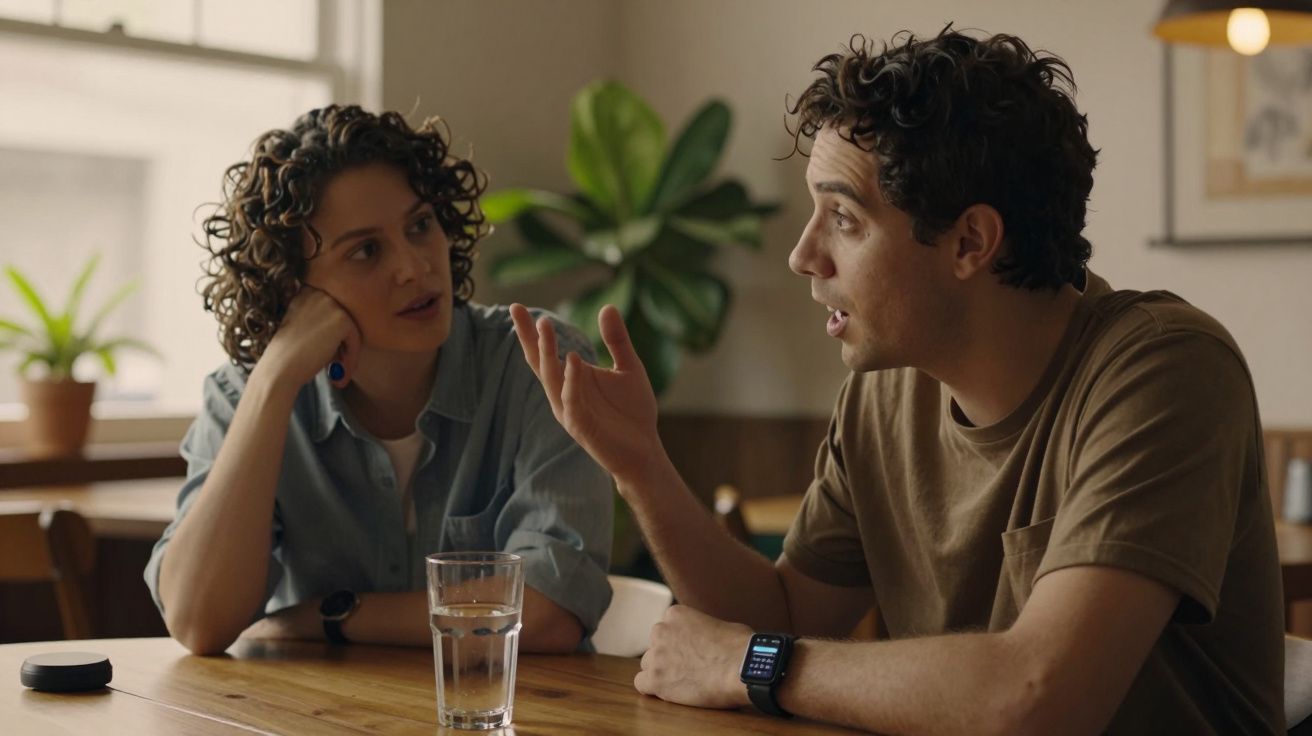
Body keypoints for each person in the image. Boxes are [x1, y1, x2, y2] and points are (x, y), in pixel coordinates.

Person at [509, 27, 1285, 734]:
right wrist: (640, 464)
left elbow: (1041, 697)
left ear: (970, 241)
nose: (803, 255)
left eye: (843, 220)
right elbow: (784, 612)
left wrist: (753, 666)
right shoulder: (886, 391)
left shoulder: (1165, 371)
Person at [144, 105, 613, 656]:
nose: (414, 267)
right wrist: (272, 381)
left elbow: (547, 613)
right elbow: (199, 620)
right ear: (295, 289)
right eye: (366, 250)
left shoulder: (536, 362)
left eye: (420, 225)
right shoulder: (241, 394)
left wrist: (333, 617)